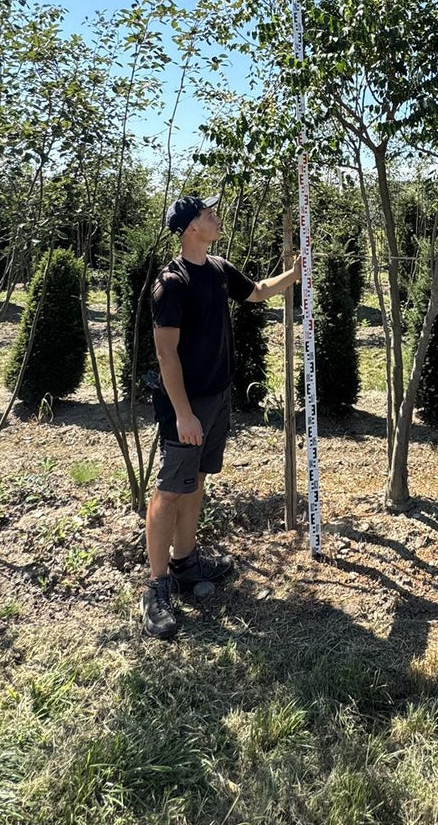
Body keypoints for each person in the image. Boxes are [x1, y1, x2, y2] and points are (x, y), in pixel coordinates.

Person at [141, 192, 300, 639]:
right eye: (208, 214)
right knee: (171, 489)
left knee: (196, 482)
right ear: (192, 227)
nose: (215, 217)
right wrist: (184, 414)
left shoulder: (218, 269)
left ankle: (186, 562)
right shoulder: (171, 284)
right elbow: (166, 354)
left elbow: (257, 293)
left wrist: (294, 274)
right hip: (185, 406)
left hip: (217, 398)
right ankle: (155, 588)